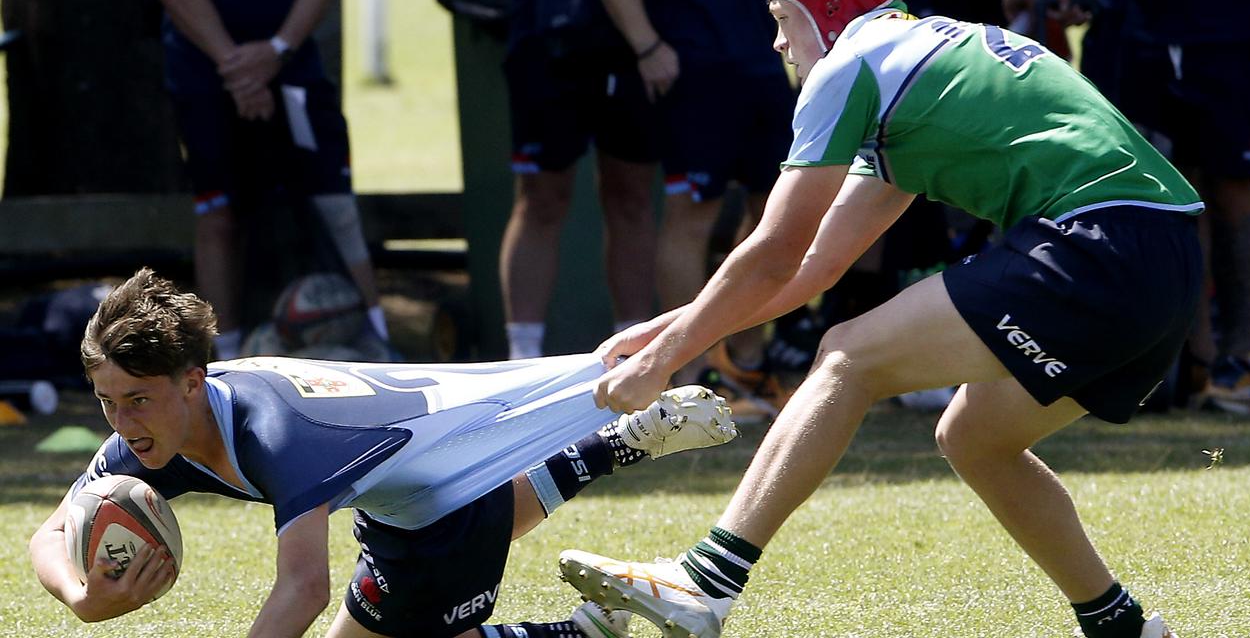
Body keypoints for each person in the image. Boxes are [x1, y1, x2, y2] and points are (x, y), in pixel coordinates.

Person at [559, 0, 1202, 638]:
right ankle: (1122, 626)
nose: (777, 44)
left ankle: (707, 582)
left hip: (1101, 242)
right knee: (973, 438)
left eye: (780, 20)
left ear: (821, 8)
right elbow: (814, 267)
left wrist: (663, 360)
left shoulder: (851, 64)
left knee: (847, 354)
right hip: (1165, 260)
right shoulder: (914, 61)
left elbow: (775, 247)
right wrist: (672, 327)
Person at [28, 268, 738, 638]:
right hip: (415, 492)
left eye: (137, 400)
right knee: (429, 543)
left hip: (444, 481)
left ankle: (588, 624)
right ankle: (615, 446)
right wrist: (82, 599)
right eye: (107, 402)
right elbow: (50, 532)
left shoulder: (276, 435)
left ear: (192, 383)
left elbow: (302, 589)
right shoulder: (151, 432)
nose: (122, 422)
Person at [1054, 0, 1250, 414]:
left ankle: (1234, 362)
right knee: (1160, 197)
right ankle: (1188, 360)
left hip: (1235, 27)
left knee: (1234, 194)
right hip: (1137, 29)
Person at [137, 0, 388, 359]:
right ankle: (227, 360)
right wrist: (235, 68)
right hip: (206, 75)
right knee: (221, 214)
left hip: (294, 68)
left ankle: (378, 345)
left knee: (335, 206)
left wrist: (276, 50)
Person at [588, 0, 797, 417]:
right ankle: (690, 371)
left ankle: (746, 361)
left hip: (761, 58)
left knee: (779, 211)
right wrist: (646, 44)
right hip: (692, 58)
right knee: (692, 214)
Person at [463, 0, 660, 361]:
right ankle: (522, 358)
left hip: (633, 39)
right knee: (540, 198)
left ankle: (633, 354)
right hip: (544, 41)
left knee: (631, 195)